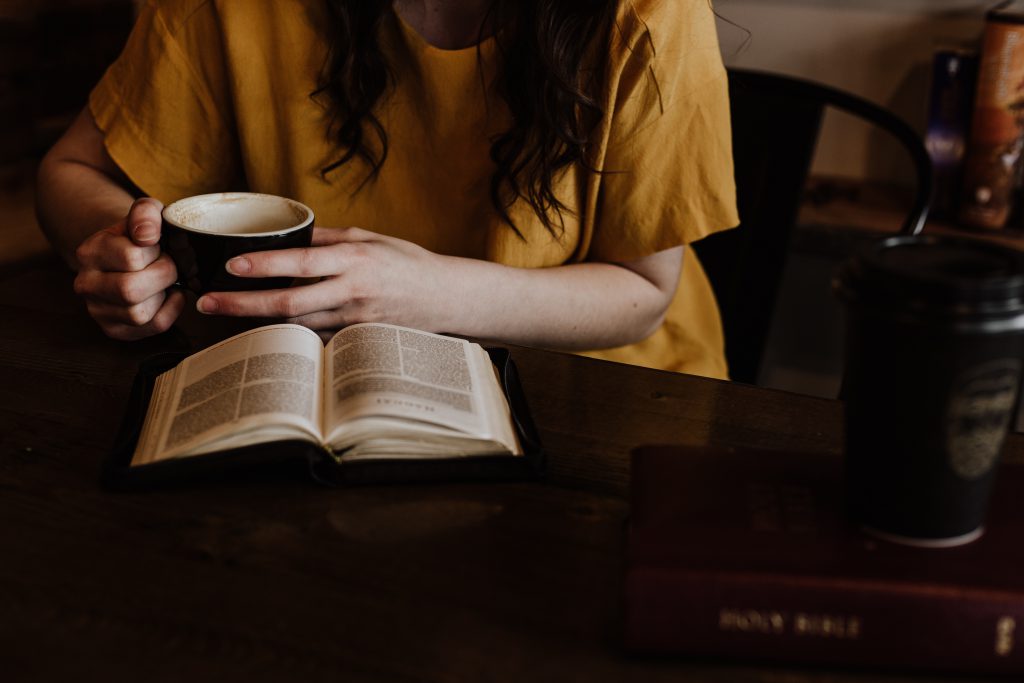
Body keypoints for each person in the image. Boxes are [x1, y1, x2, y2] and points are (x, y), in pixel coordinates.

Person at [36, 0, 738, 379]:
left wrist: (423, 295)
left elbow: (644, 293)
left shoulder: (651, 12)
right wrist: (118, 249)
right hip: (299, 381)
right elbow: (70, 173)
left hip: (596, 389)